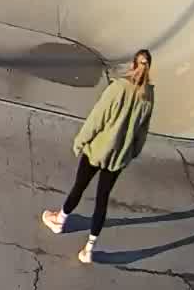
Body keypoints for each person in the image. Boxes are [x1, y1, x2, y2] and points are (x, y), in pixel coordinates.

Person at [41, 49, 155, 263]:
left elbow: (97, 119)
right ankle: (89, 249)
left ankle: (60, 220)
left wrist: (80, 141)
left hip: (97, 151)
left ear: (132, 65)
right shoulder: (148, 96)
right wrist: (131, 153)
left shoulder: (118, 88)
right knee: (102, 200)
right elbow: (142, 133)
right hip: (118, 158)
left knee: (79, 187)